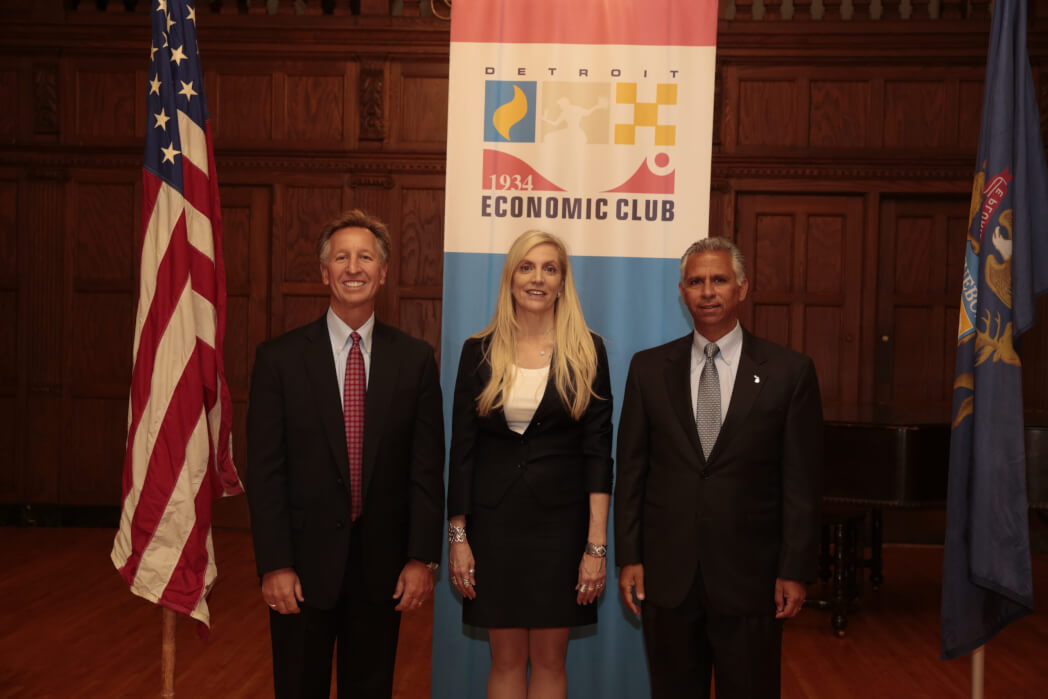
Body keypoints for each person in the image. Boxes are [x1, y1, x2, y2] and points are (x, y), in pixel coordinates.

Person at [246, 210, 445, 698]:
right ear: (323, 272)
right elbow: (266, 473)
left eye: (365, 257)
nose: (353, 268)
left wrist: (421, 558)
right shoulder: (279, 360)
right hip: (300, 570)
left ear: (383, 272)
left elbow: (425, 469)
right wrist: (274, 564)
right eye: (341, 258)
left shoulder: (414, 360)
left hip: (382, 572)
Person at [614, 236, 823, 699]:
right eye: (696, 282)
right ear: (682, 293)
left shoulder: (789, 372)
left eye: (719, 280)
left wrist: (794, 568)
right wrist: (630, 557)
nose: (707, 291)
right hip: (669, 577)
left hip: (752, 579)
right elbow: (631, 472)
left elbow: (801, 483)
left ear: (742, 288)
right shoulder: (648, 370)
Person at [446, 230, 614, 699]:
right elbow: (462, 452)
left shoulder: (588, 351)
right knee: (504, 660)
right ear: (511, 278)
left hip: (561, 529)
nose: (537, 278)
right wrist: (458, 538)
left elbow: (598, 454)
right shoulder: (477, 350)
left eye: (549, 268)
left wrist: (596, 546)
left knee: (549, 660)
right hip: (494, 527)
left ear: (562, 282)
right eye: (527, 267)